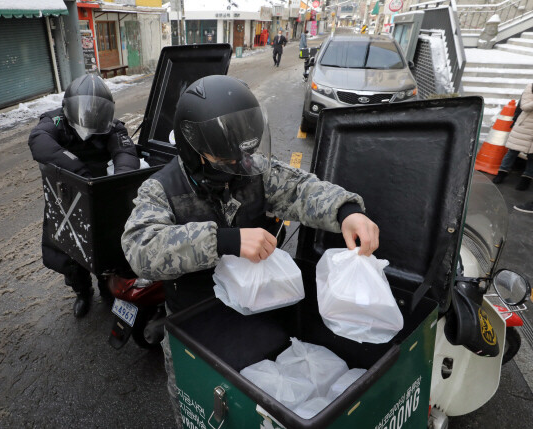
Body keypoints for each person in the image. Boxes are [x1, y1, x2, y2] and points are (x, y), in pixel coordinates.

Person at [121, 75, 379, 426]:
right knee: (195, 413)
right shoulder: (161, 189)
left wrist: (346, 212)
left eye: (241, 152)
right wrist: (226, 240)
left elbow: (301, 189)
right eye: (223, 157)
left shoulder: (249, 168)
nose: (237, 163)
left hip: (255, 318)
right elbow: (140, 248)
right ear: (192, 148)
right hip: (195, 329)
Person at [29, 74, 140, 318]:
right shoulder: (56, 120)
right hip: (66, 196)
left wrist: (118, 180)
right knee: (69, 252)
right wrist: (77, 169)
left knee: (105, 249)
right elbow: (38, 140)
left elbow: (126, 151)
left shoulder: (112, 126)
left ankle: (107, 289)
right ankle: (82, 291)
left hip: (101, 195)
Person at [493, 83, 533, 191]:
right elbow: (524, 106)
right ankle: (502, 173)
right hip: (525, 126)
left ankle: (526, 179)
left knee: (532, 157)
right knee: (512, 151)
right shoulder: (531, 86)